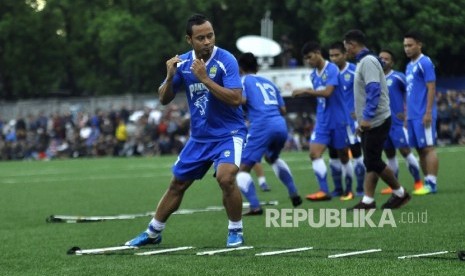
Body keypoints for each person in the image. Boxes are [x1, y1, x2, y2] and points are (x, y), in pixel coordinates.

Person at [125, 14, 247, 248]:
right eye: (200, 38)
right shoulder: (181, 63)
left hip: (229, 134)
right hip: (200, 137)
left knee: (226, 178)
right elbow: (163, 99)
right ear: (189, 39)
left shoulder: (226, 60)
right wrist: (170, 78)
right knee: (177, 184)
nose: (207, 41)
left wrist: (205, 79)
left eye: (210, 35)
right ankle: (153, 232)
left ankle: (235, 230)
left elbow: (236, 98)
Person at [343, 29, 410, 209]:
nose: (345, 51)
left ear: (352, 44)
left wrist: (367, 118)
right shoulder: (364, 62)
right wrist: (362, 121)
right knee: (370, 161)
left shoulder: (368, 61)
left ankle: (400, 193)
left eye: (345, 47)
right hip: (371, 120)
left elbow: (374, 89)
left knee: (373, 160)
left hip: (376, 119)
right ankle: (368, 200)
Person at [236, 52, 302, 215]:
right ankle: (293, 192)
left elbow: (241, 101)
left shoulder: (243, 81)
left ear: (239, 68)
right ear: (257, 68)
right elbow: (283, 110)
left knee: (241, 169)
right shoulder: (269, 82)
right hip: (280, 124)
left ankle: (255, 205)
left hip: (261, 125)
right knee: (272, 157)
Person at [292, 42, 352, 201]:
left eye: (310, 57)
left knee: (343, 155)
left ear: (318, 53)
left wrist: (305, 90)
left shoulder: (332, 69)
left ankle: (348, 189)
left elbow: (327, 93)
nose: (308, 61)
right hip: (323, 120)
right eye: (305, 59)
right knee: (314, 153)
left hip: (338, 119)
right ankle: (324, 190)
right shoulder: (313, 74)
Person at [377, 49, 424, 195]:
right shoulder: (373, 79)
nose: (383, 60)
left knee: (405, 151)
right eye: (380, 58)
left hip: (396, 123)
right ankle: (394, 185)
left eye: (386, 58)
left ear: (392, 62)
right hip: (381, 124)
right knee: (389, 154)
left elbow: (411, 93)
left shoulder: (398, 77)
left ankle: (418, 182)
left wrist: (407, 113)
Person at [328, 41, 366, 200]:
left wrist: (360, 112)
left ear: (344, 54)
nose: (334, 59)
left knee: (356, 153)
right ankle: (341, 188)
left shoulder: (355, 70)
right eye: (331, 56)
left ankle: (360, 187)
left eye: (337, 55)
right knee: (337, 154)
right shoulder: (329, 72)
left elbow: (365, 91)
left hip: (352, 121)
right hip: (335, 120)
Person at [403, 31, 439, 194]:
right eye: (405, 46)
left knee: (428, 148)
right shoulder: (409, 65)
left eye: (410, 45)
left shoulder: (425, 62)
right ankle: (427, 182)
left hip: (423, 113)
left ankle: (432, 182)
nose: (407, 49)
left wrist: (428, 112)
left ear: (419, 45)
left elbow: (431, 87)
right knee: (419, 148)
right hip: (412, 115)